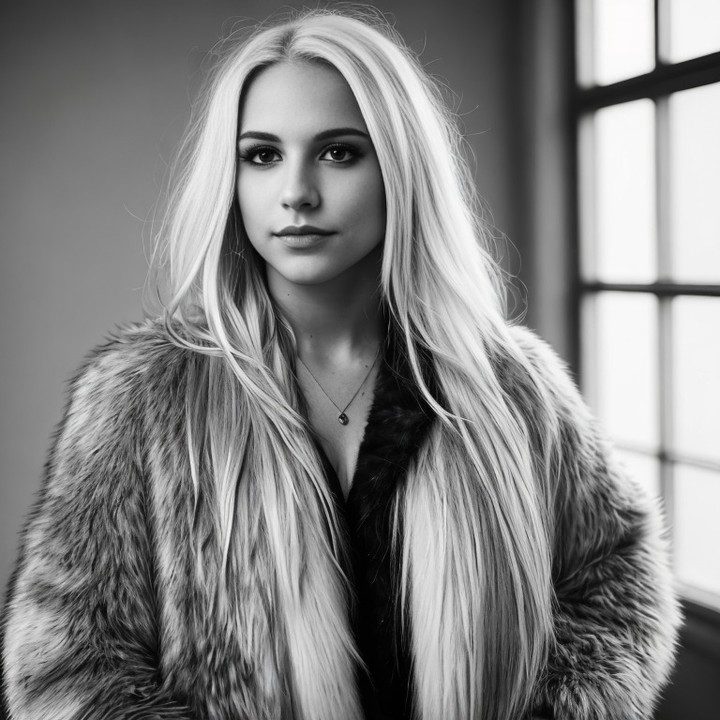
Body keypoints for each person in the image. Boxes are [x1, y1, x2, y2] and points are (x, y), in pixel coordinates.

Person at [1, 7, 680, 720]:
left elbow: (619, 581)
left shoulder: (510, 385)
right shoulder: (143, 395)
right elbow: (65, 658)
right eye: (262, 154)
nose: (295, 192)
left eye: (338, 152)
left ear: (399, 166)